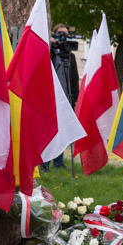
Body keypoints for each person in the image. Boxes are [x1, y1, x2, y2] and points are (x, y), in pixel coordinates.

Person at [40, 23, 79, 172]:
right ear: (54, 35)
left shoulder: (70, 56)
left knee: (63, 129)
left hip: (65, 96)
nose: (64, 38)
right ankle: (45, 163)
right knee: (48, 130)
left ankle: (59, 161)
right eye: (61, 34)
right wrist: (49, 43)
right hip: (49, 97)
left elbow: (74, 78)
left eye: (66, 35)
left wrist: (75, 98)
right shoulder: (49, 52)